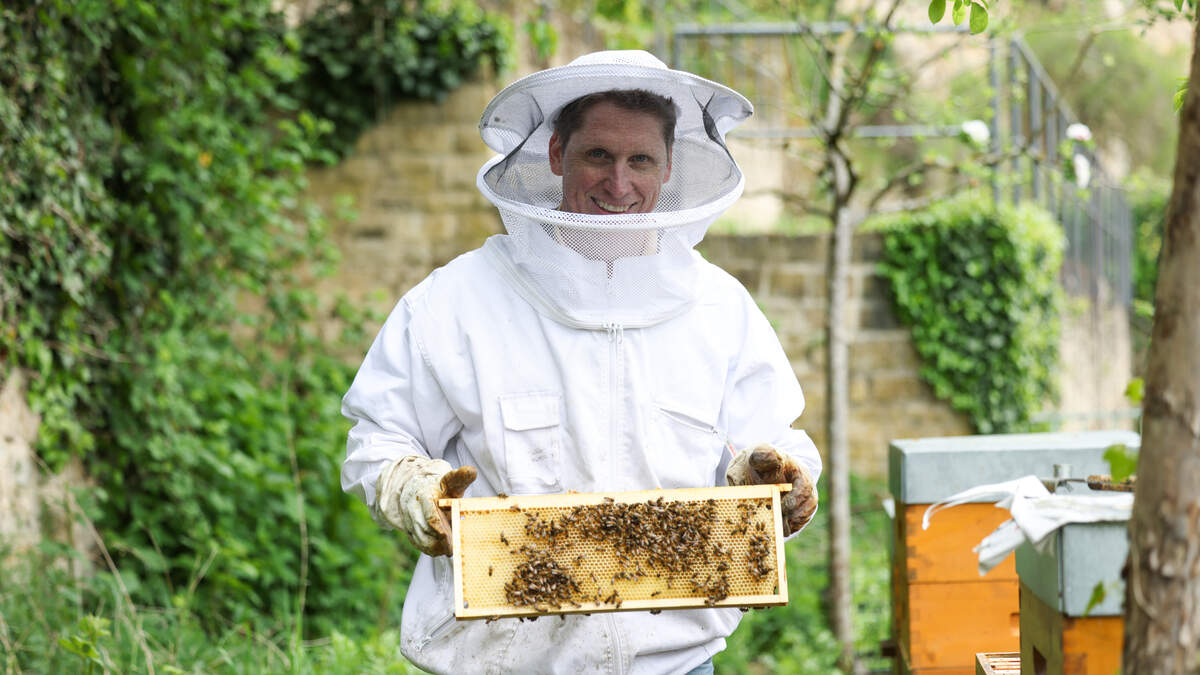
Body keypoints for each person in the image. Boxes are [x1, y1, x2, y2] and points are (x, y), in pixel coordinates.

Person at [341, 50, 821, 675]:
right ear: (556, 154)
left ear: (669, 166)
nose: (618, 184)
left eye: (640, 160)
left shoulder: (720, 308)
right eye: (598, 155)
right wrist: (412, 486)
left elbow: (778, 440)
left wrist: (779, 482)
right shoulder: (454, 302)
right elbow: (377, 437)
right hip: (501, 664)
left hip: (674, 665)